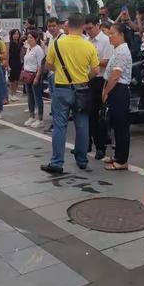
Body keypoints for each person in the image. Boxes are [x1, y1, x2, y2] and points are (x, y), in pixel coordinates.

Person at [41, 13, 100, 174]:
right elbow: (96, 70)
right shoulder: (88, 45)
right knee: (82, 125)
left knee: (59, 126)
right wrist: (83, 78)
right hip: (81, 89)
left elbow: (48, 65)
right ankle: (82, 160)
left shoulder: (58, 43)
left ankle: (57, 163)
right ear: (82, 26)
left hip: (61, 88)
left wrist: (59, 70)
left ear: (67, 26)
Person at [101, 23, 133, 169]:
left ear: (121, 35)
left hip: (119, 90)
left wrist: (106, 91)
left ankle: (122, 160)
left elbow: (115, 75)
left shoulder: (122, 51)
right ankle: (118, 155)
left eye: (113, 33)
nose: (110, 36)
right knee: (116, 125)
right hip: (115, 88)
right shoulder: (117, 49)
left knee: (121, 127)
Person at [85, 15, 114, 159]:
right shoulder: (85, 40)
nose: (88, 31)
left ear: (97, 25)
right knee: (87, 114)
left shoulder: (105, 40)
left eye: (90, 28)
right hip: (87, 79)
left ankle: (101, 147)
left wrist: (92, 61)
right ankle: (87, 143)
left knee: (99, 116)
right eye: (86, 29)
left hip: (100, 80)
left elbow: (108, 61)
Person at [23, 30, 45, 128]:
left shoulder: (38, 49)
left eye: (31, 37)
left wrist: (37, 77)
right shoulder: (28, 49)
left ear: (36, 39)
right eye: (28, 37)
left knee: (37, 97)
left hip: (35, 75)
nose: (29, 39)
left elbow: (40, 65)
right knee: (30, 97)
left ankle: (40, 118)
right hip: (27, 75)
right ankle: (31, 116)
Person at [7, 29, 22, 101]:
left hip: (18, 63)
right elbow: (8, 55)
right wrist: (7, 65)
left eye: (17, 34)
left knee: (17, 79)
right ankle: (11, 94)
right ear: (11, 35)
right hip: (11, 63)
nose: (16, 35)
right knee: (12, 79)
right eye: (14, 34)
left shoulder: (19, 43)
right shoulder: (10, 44)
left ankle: (14, 93)